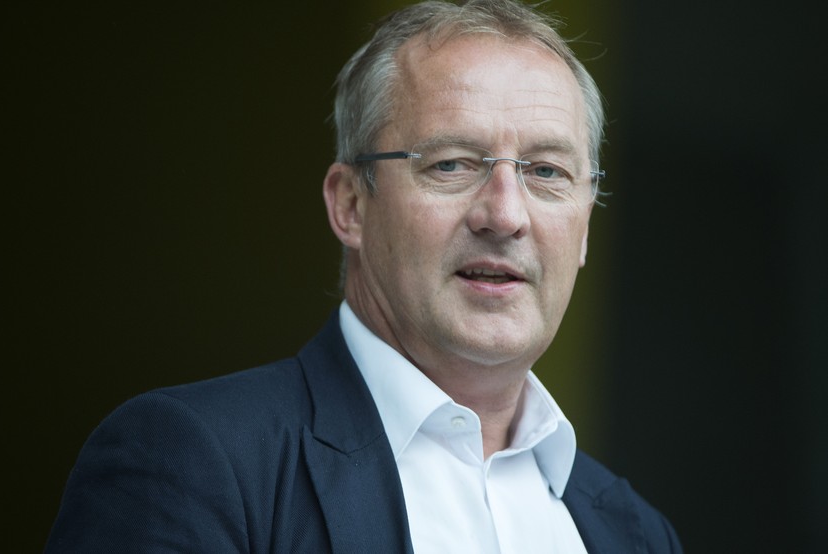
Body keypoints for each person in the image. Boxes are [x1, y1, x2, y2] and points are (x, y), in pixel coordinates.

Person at [46, 0, 683, 552]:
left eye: (547, 173)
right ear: (350, 204)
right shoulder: (190, 461)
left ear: (586, 229)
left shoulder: (635, 533)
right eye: (453, 164)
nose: (505, 215)